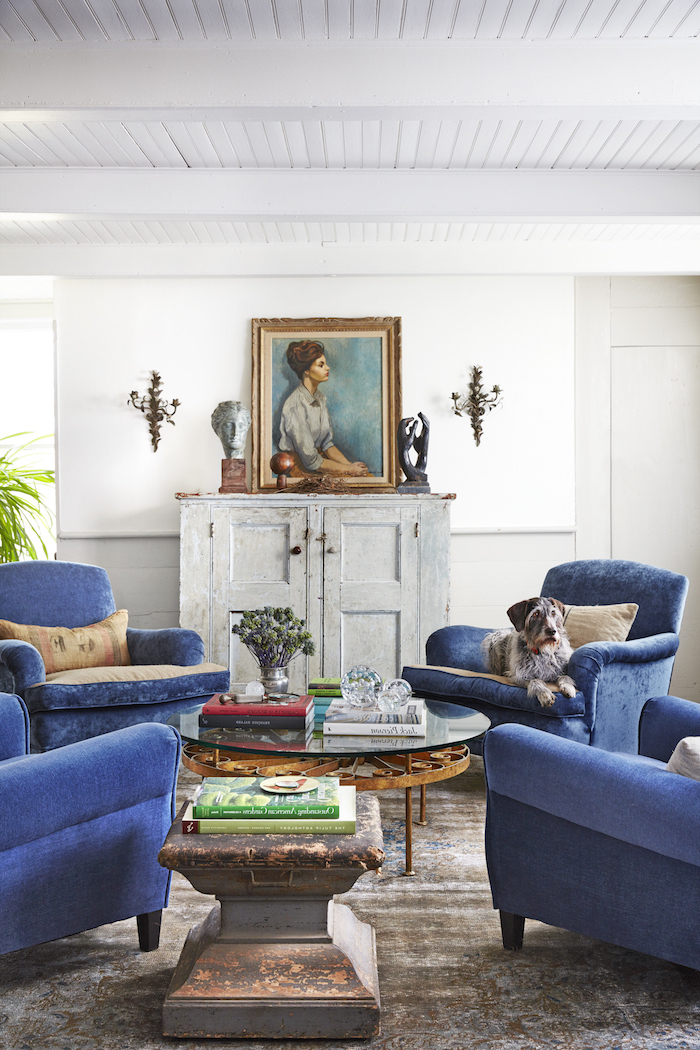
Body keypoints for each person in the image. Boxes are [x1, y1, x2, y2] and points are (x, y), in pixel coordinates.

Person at [278, 340, 369, 477]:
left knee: (365, 478)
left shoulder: (320, 399)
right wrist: (348, 470)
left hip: (321, 463)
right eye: (321, 365)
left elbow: (327, 445)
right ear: (306, 370)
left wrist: (350, 466)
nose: (328, 368)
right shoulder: (295, 405)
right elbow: (310, 460)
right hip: (301, 469)